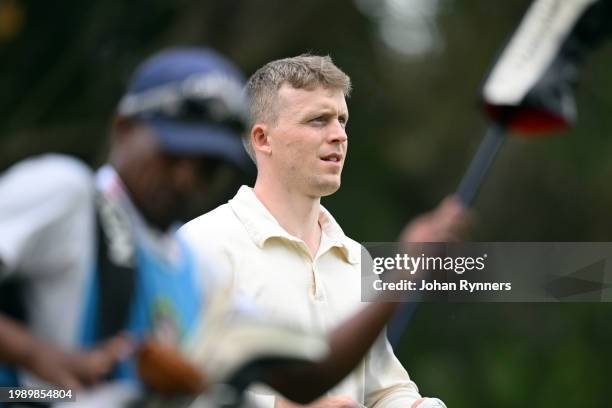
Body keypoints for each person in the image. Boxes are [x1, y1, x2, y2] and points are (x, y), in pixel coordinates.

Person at [180, 54, 469, 408]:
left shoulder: (354, 258)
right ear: (262, 138)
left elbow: (385, 390)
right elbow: (185, 390)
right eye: (318, 120)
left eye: (342, 120)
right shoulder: (202, 246)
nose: (339, 135)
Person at [0, 47, 253, 393]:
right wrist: (37, 355)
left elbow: (306, 367)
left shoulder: (197, 269)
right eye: (173, 153)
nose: (185, 179)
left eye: (207, 167)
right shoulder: (67, 194)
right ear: (123, 128)